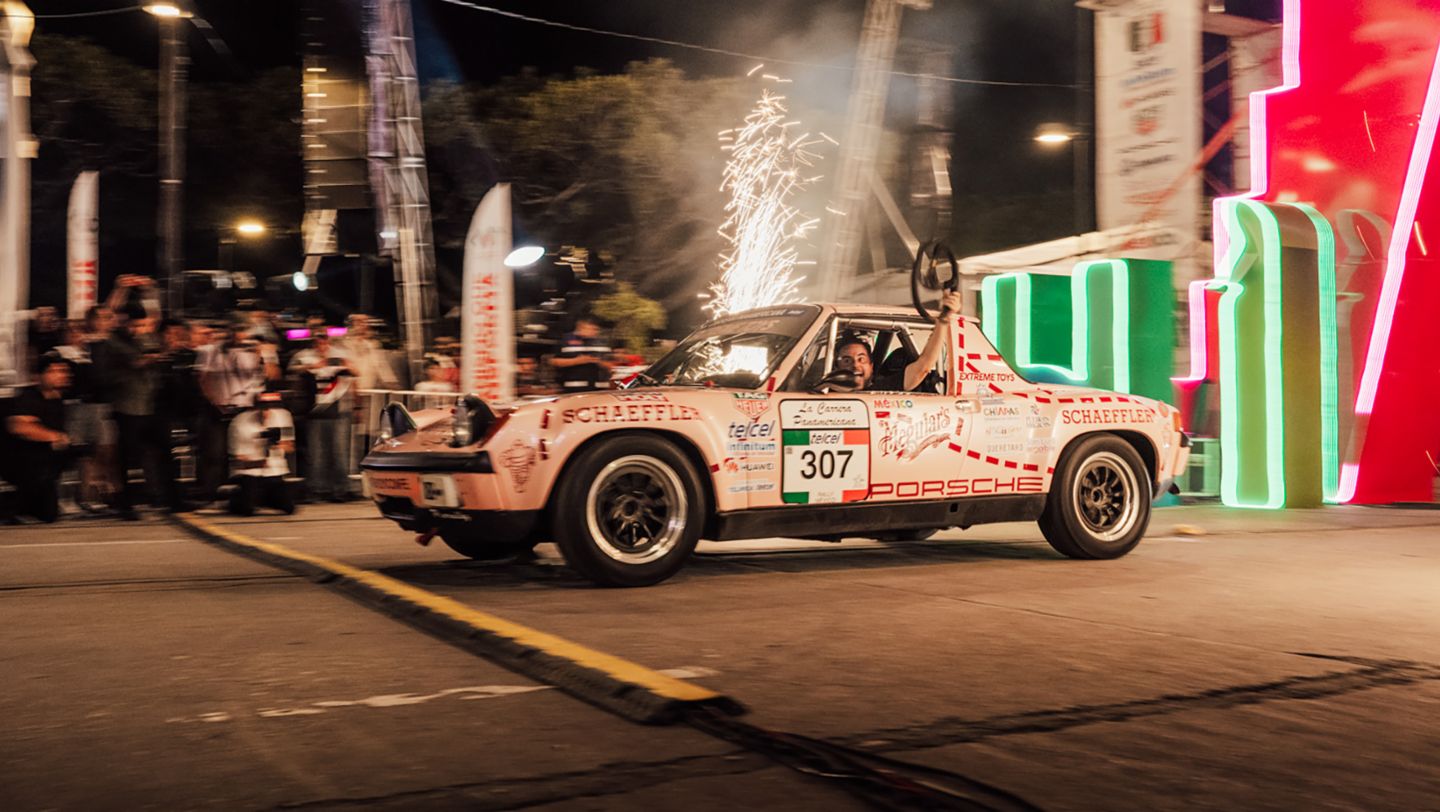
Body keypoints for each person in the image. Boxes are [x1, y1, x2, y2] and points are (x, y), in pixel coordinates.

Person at [105, 303, 185, 518]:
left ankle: (172, 499)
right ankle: (125, 503)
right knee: (127, 458)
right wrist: (162, 354)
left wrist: (163, 354)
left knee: (164, 453)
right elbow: (137, 361)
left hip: (152, 406)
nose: (138, 329)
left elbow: (157, 358)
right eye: (135, 325)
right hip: (128, 407)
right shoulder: (115, 341)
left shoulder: (148, 338)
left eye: (142, 325)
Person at [835, 290, 963, 392]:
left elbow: (923, 367)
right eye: (846, 360)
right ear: (836, 368)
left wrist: (943, 321)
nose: (855, 366)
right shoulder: (823, 390)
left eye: (861, 359)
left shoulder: (881, 390)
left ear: (871, 366)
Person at [3, 354, 75, 523]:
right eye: (53, 371)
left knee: (48, 513)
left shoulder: (58, 401)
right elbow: (18, 426)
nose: (60, 375)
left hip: (43, 463)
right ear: (38, 377)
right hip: (16, 460)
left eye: (63, 371)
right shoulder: (28, 397)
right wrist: (55, 437)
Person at [288, 329, 358, 502]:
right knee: (316, 453)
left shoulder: (342, 354)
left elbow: (356, 373)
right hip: (315, 410)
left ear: (329, 340)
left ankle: (340, 489)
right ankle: (317, 489)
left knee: (340, 452)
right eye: (318, 340)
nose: (321, 344)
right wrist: (312, 366)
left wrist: (345, 365)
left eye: (324, 339)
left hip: (339, 410)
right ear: (313, 341)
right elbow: (291, 371)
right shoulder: (304, 355)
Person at [227, 390, 296, 516]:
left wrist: (278, 445)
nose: (267, 412)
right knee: (246, 509)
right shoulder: (240, 423)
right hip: (250, 473)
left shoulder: (283, 416)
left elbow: (290, 447)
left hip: (274, 472)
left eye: (270, 408)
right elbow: (238, 460)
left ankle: (264, 499)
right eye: (263, 408)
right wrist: (257, 462)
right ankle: (237, 497)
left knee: (288, 508)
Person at [550, 316, 613, 392]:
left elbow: (612, 365)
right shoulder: (566, 340)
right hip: (573, 388)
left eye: (596, 329)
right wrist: (577, 361)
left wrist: (600, 362)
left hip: (600, 389)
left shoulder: (604, 343)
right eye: (591, 329)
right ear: (580, 327)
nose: (595, 332)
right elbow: (554, 362)